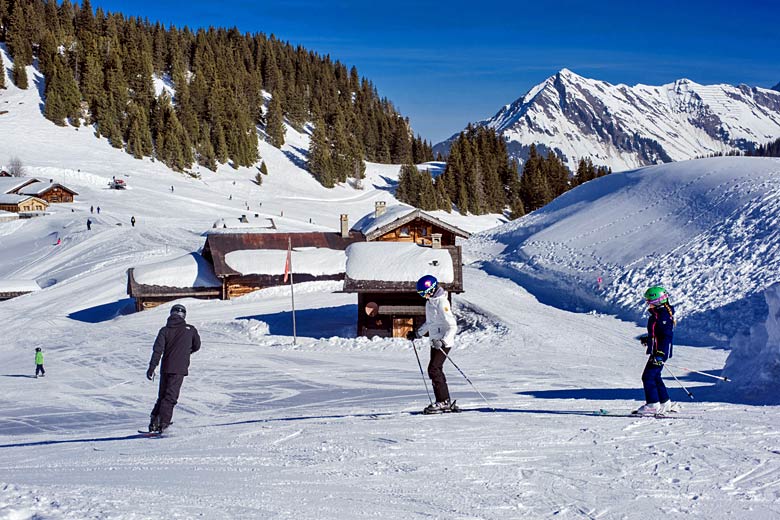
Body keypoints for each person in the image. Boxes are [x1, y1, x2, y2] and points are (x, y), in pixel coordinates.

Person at [407, 275, 459, 414]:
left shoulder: (442, 303)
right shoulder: (430, 302)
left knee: (434, 369)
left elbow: (453, 326)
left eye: (424, 292)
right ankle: (445, 401)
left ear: (432, 288)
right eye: (421, 293)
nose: (423, 296)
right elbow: (430, 323)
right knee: (436, 369)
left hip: (442, 342)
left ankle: (443, 401)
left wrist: (443, 341)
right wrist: (418, 334)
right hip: (434, 341)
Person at [146, 304, 201, 433]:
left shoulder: (164, 330)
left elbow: (157, 351)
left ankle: (154, 421)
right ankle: (163, 424)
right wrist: (185, 352)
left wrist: (152, 367)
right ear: (184, 315)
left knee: (162, 396)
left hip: (165, 367)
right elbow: (197, 345)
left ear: (171, 314)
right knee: (170, 397)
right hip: (179, 369)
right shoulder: (190, 329)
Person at [635, 286, 680, 415]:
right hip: (657, 350)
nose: (648, 303)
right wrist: (649, 339)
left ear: (658, 300)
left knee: (648, 377)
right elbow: (658, 333)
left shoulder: (663, 316)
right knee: (655, 376)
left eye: (650, 300)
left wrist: (660, 354)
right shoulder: (658, 313)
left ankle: (652, 405)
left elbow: (666, 336)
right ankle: (665, 402)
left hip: (660, 352)